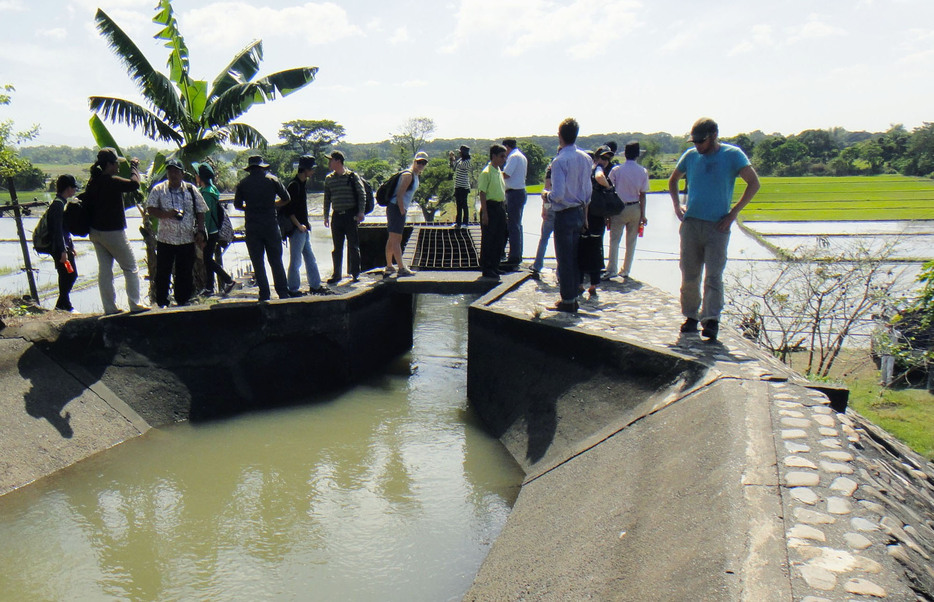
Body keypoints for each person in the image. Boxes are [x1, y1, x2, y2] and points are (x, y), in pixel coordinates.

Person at [669, 117, 760, 341]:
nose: (697, 146)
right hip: (691, 223)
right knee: (689, 274)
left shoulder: (733, 155)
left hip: (717, 225)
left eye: (701, 141)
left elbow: (754, 183)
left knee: (713, 275)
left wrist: (733, 213)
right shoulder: (691, 156)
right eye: (695, 141)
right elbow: (673, 180)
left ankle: (711, 320)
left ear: (713, 136)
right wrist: (677, 205)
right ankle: (690, 316)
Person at [86, 147, 149, 314]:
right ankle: (135, 304)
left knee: (105, 271)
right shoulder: (111, 181)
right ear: (109, 164)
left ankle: (109, 308)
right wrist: (135, 167)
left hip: (95, 232)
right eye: (116, 163)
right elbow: (135, 184)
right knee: (130, 267)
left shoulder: (92, 182)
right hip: (112, 231)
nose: (118, 167)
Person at [542, 118, 592, 312]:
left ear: (560, 135)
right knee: (574, 256)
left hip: (565, 214)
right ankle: (573, 296)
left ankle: (568, 300)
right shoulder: (585, 158)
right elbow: (588, 192)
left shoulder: (560, 161)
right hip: (580, 211)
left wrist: (546, 195)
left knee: (564, 258)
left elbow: (559, 195)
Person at [146, 158, 208, 308]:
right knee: (163, 272)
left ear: (182, 174)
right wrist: (167, 214)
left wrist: (200, 230)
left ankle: (182, 301)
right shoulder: (159, 189)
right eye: (170, 171)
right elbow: (151, 209)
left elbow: (201, 210)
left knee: (185, 272)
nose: (173, 174)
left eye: (176, 171)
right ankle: (162, 302)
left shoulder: (191, 190)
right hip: (165, 239)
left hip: (186, 239)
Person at [234, 155, 292, 301]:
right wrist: (273, 205)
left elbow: (237, 205)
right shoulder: (272, 180)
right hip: (271, 225)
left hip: (252, 226)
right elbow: (286, 198)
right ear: (262, 167)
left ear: (250, 168)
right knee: (276, 260)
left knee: (258, 262)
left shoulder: (243, 183)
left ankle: (264, 294)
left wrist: (250, 207)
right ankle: (282, 293)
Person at [284, 155, 329, 295]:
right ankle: (293, 289)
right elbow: (289, 211)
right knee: (296, 261)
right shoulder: (294, 185)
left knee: (310, 258)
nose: (313, 171)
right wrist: (299, 226)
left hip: (303, 228)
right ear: (305, 169)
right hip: (297, 229)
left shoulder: (302, 184)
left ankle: (315, 285)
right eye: (312, 169)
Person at [606, 141, 649, 280]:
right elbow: (643, 194)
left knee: (614, 240)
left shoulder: (617, 170)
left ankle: (612, 269)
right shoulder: (643, 171)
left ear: (625, 153)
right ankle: (625, 270)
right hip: (635, 207)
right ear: (637, 155)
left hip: (618, 207)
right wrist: (643, 215)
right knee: (631, 242)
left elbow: (609, 189)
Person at [323, 150, 366, 284]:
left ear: (338, 161)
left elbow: (361, 194)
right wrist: (325, 216)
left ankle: (355, 273)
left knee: (353, 245)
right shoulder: (329, 179)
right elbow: (327, 198)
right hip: (336, 216)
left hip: (350, 215)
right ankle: (337, 274)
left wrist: (361, 212)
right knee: (337, 247)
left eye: (331, 160)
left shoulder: (352, 176)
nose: (329, 163)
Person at [385, 151, 428, 276]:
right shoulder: (408, 175)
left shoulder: (414, 175)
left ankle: (389, 266)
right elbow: (399, 195)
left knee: (392, 238)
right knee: (397, 238)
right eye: (419, 162)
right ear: (414, 161)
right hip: (396, 208)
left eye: (423, 163)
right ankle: (401, 268)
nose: (421, 165)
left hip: (396, 208)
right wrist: (402, 210)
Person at [195, 163, 236, 297]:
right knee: (208, 259)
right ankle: (209, 287)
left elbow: (205, 216)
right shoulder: (212, 190)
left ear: (201, 177)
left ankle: (228, 280)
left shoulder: (206, 194)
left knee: (207, 260)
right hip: (212, 230)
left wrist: (202, 236)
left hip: (209, 232)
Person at [579, 145, 613, 298]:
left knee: (582, 247)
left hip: (587, 212)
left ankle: (580, 282)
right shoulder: (597, 169)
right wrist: (609, 186)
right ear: (597, 157)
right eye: (604, 157)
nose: (606, 161)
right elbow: (600, 178)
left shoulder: (585, 171)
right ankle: (593, 284)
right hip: (594, 214)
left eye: (608, 158)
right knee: (596, 248)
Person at [47, 174, 79, 311]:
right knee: (69, 274)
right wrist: (62, 251)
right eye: (73, 188)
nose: (74, 191)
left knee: (68, 274)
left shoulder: (60, 203)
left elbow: (63, 230)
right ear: (68, 188)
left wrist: (70, 246)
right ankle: (63, 304)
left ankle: (63, 304)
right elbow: (57, 231)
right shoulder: (58, 205)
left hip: (63, 247)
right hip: (59, 248)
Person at [478, 144, 508, 282]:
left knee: (499, 238)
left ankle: (495, 265)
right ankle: (487, 268)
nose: (504, 159)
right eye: (501, 156)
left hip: (500, 207)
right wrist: (485, 213)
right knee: (489, 239)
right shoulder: (487, 172)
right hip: (490, 207)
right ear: (494, 156)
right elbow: (482, 193)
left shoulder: (498, 170)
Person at [502, 138, 528, 269]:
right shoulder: (521, 156)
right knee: (517, 225)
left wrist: (494, 173)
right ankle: (517, 254)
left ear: (507, 147)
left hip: (514, 193)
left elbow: (506, 174)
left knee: (513, 225)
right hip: (520, 192)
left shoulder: (513, 157)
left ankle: (514, 256)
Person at [530, 161, 555, 279]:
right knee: (560, 241)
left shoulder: (551, 169)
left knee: (544, 238)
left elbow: (546, 189)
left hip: (550, 207)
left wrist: (544, 209)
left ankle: (538, 264)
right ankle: (561, 270)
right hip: (563, 209)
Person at [449, 145, 472, 228]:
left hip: (464, 186)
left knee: (464, 205)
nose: (459, 153)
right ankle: (458, 222)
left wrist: (454, 158)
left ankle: (465, 223)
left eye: (460, 152)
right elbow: (454, 166)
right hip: (458, 186)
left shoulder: (467, 161)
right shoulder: (460, 160)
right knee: (458, 205)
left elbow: (458, 166)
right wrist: (452, 159)